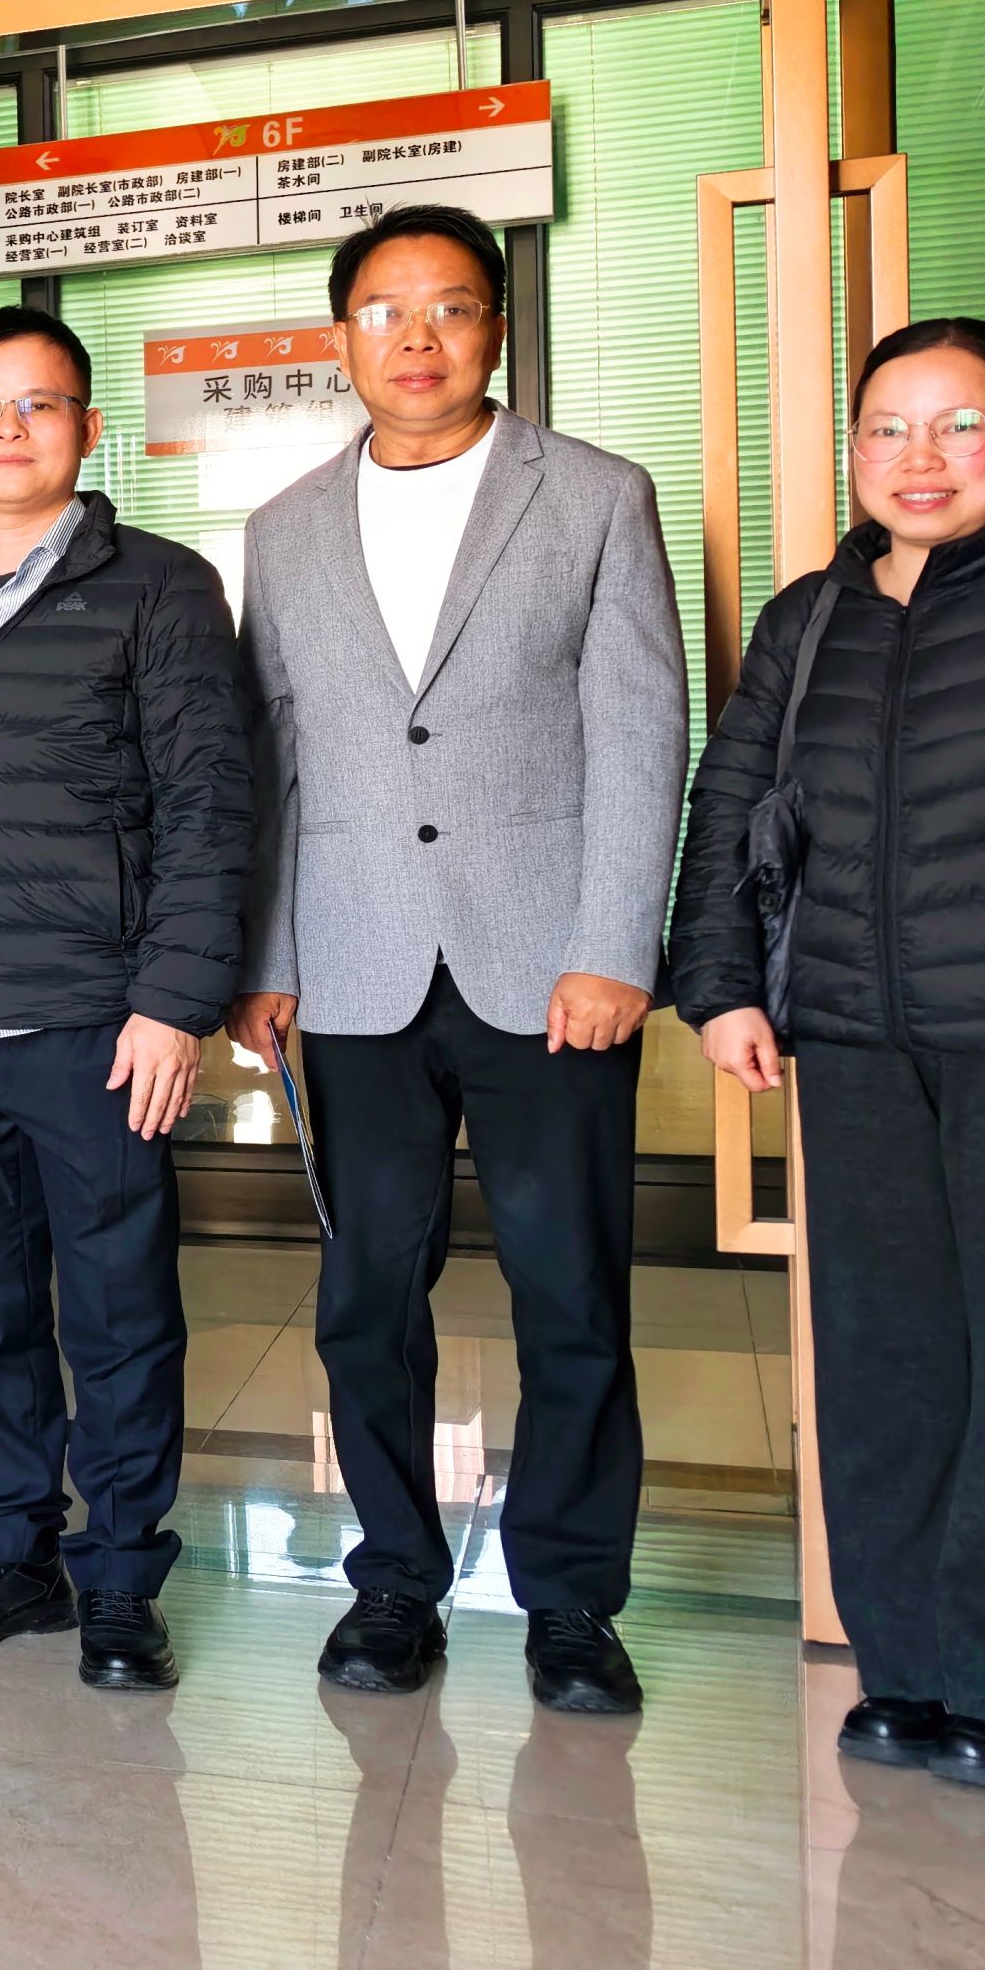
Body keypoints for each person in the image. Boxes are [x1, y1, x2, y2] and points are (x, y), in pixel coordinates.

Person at [672, 317, 985, 1797]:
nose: (920, 458)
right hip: (855, 1043)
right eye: (890, 427)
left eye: (960, 425)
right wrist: (719, 986)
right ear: (855, 446)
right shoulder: (812, 617)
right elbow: (730, 799)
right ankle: (911, 1668)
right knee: (885, 1369)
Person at [227, 204, 687, 1715]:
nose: (416, 338)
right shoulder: (285, 525)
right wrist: (265, 952)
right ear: (340, 336)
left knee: (571, 1290)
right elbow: (275, 753)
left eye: (451, 308)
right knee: (368, 1294)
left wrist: (615, 945)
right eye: (384, 310)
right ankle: (392, 1582)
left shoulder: (596, 495)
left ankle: (573, 1600)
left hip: (550, 967)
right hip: (352, 964)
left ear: (498, 325)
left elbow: (643, 734)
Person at [0, 305, 251, 1691]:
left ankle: (122, 1576)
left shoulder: (159, 587)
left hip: (98, 1022)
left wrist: (175, 1003)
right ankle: (10, 1554)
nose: (9, 428)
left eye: (38, 404)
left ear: (88, 430)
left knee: (116, 1312)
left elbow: (210, 805)